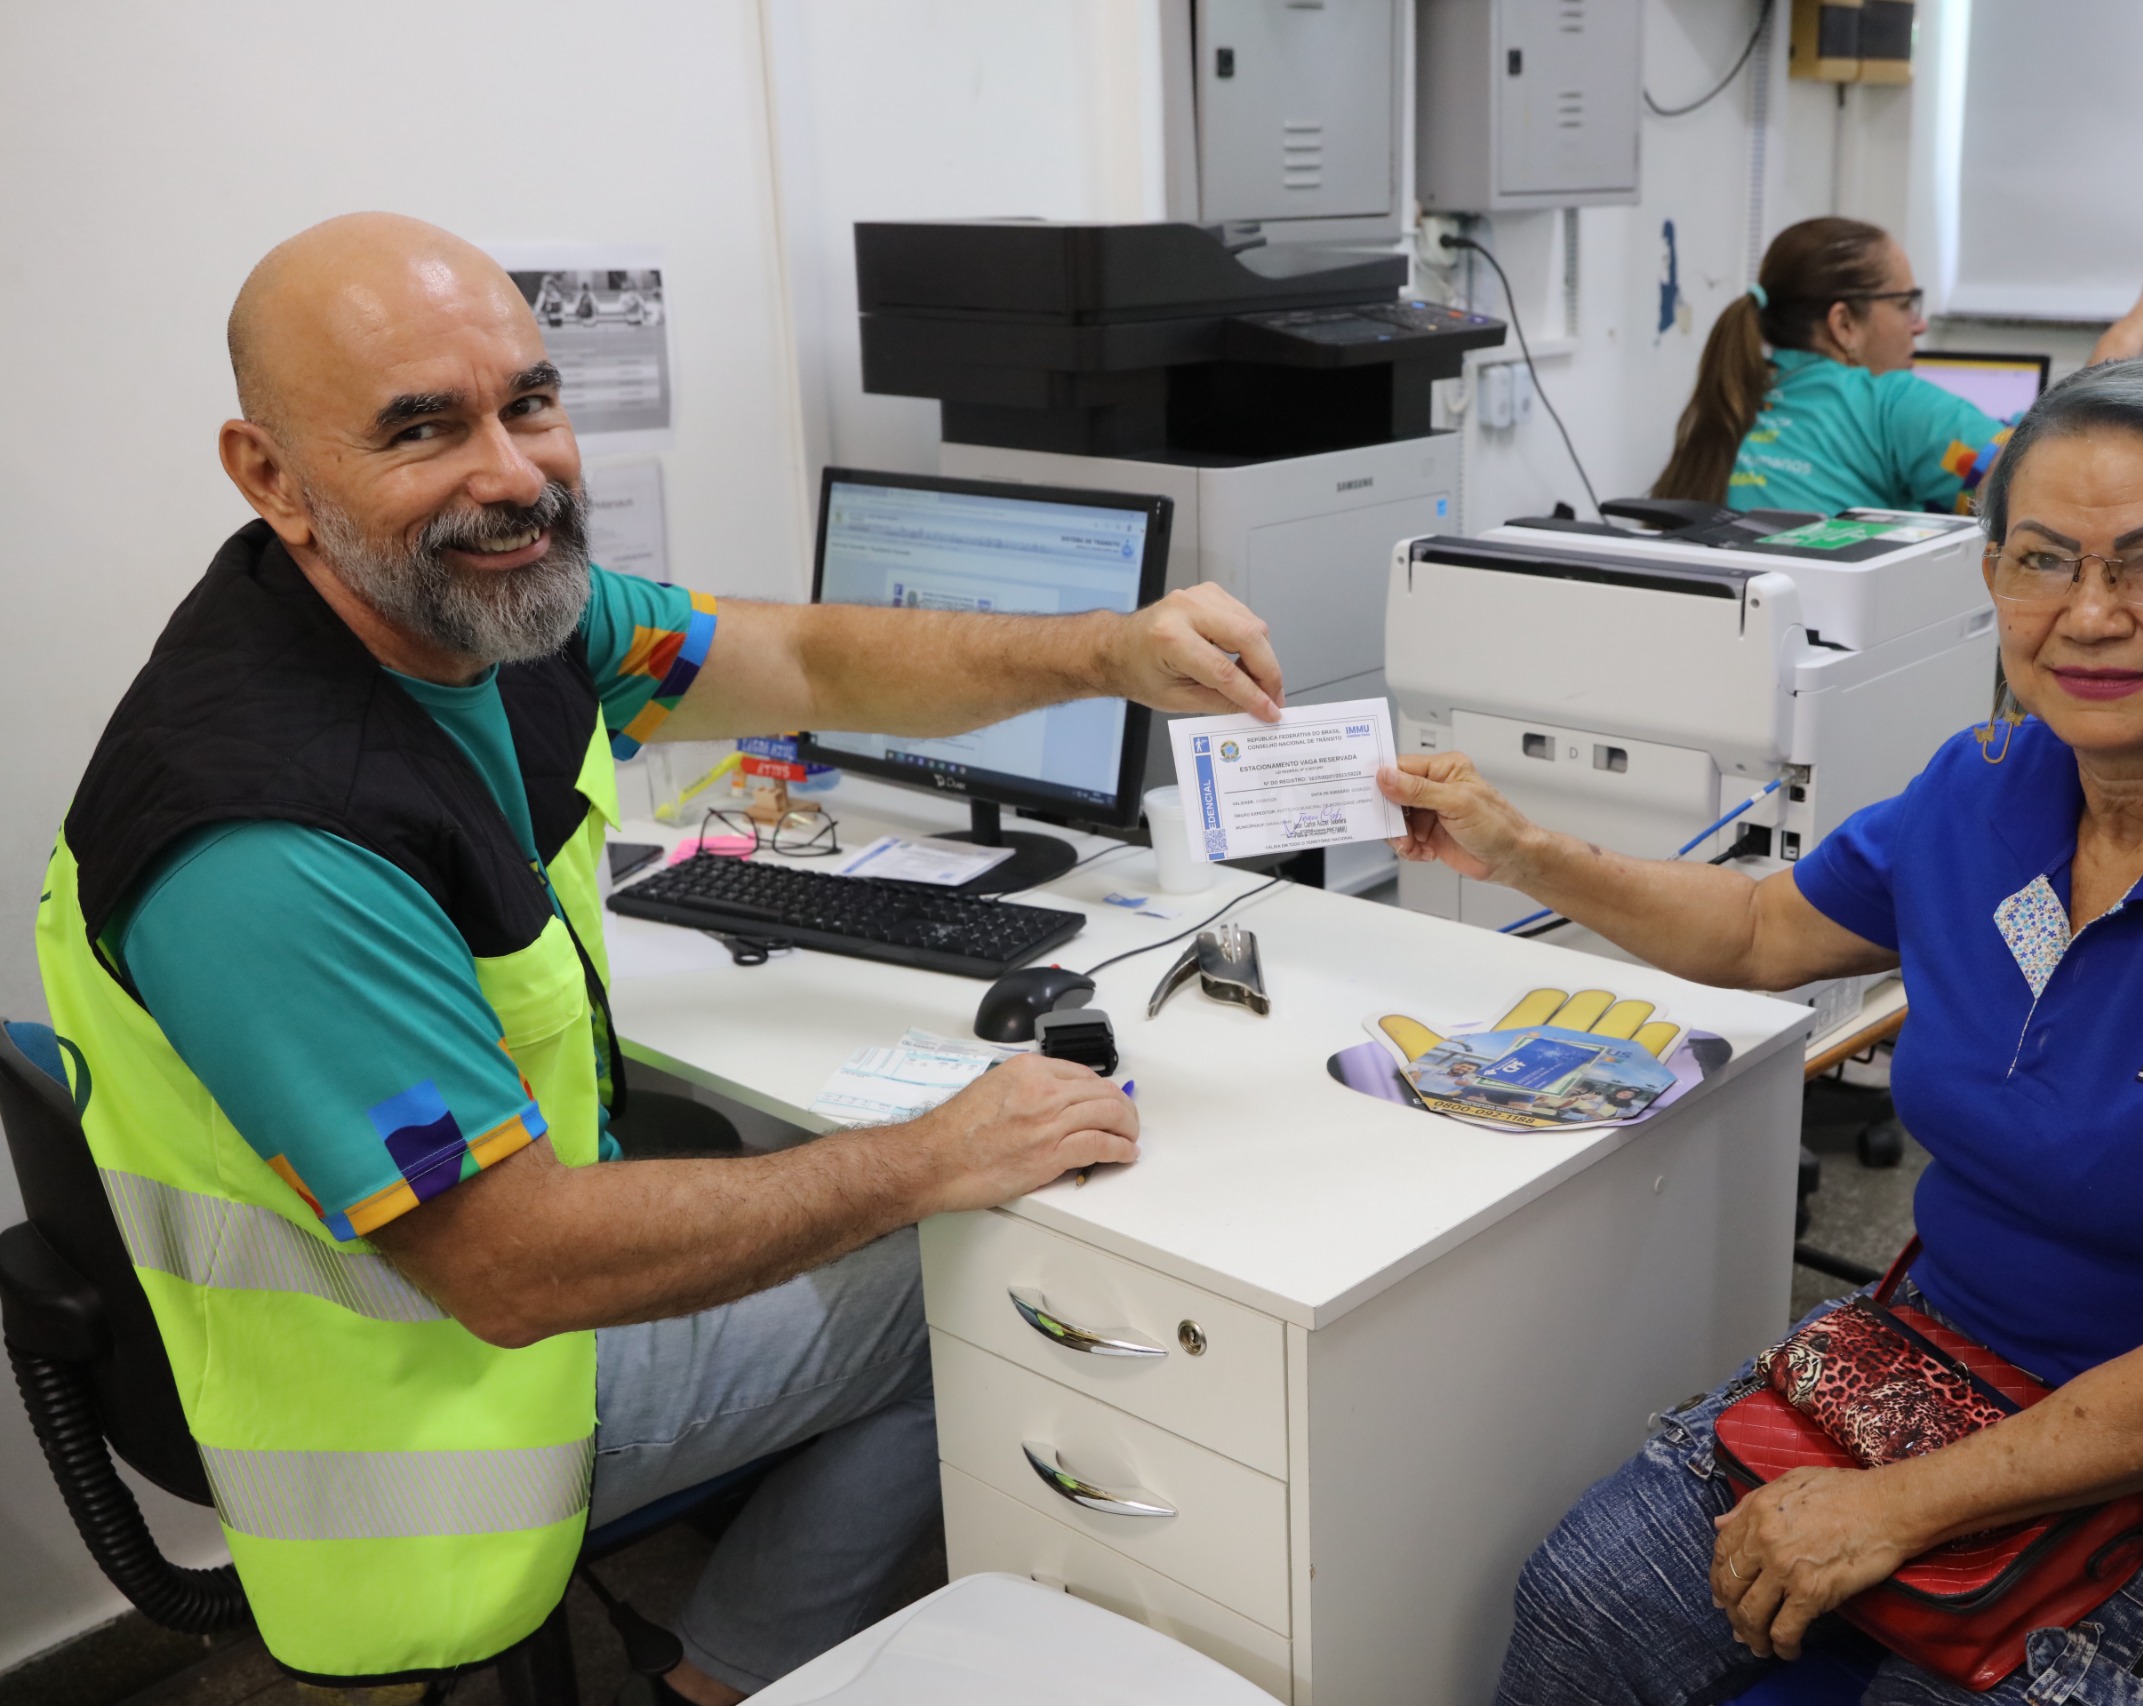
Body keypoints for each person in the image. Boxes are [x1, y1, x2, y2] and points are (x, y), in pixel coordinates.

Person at [33, 213, 1287, 1704]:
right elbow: (508, 1268)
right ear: (269, 477)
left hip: (441, 1309)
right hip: (435, 1410)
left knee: (858, 1194)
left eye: (531, 402)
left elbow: (812, 664)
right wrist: (925, 1159)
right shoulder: (267, 829)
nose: (510, 472)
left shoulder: (495, 618)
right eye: (421, 428)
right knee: (973, 1267)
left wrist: (1105, 652)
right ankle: (731, 1670)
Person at [1382, 352, 2143, 1706]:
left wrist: (1899, 1505)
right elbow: (1753, 930)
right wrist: (1518, 844)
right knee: (1584, 1600)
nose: (2088, 615)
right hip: (1940, 1368)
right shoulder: (1987, 787)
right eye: (2040, 560)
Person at [1652, 216, 2143, 516]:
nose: (1918, 324)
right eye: (1905, 305)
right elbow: (2046, 469)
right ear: (1844, 324)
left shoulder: (1735, 394)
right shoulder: (1889, 403)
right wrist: (2123, 340)